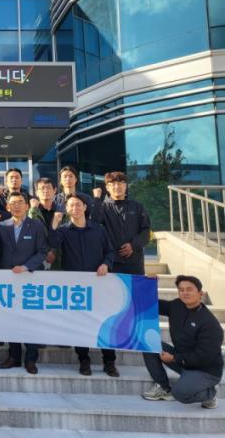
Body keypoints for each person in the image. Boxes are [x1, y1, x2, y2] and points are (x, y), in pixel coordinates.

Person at [49, 194, 117, 377]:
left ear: (85, 207)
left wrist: (106, 264)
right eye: (71, 205)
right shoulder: (63, 230)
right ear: (67, 209)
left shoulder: (99, 229)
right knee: (80, 323)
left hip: (99, 284)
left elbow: (110, 251)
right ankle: (83, 360)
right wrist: (54, 224)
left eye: (78, 205)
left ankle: (109, 361)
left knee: (104, 323)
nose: (75, 208)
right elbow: (52, 245)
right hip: (76, 287)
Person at [142, 275, 222, 409]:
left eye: (189, 289)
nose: (185, 293)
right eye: (181, 290)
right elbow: (150, 303)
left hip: (205, 370)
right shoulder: (176, 305)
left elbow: (203, 357)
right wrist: (148, 285)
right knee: (148, 344)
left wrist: (174, 358)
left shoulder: (209, 323)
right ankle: (163, 387)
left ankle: (209, 394)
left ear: (200, 293)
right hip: (183, 361)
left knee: (179, 393)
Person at [0, 192, 48, 374]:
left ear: (26, 206)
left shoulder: (36, 225)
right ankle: (13, 357)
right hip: (8, 281)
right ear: (8, 207)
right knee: (11, 319)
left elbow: (42, 251)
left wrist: (25, 267)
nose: (16, 206)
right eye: (13, 203)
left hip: (30, 279)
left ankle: (30, 359)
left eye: (20, 202)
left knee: (30, 319)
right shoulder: (2, 226)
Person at [92, 171, 151, 275]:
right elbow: (94, 223)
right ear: (107, 187)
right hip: (111, 262)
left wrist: (133, 245)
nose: (117, 186)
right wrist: (97, 199)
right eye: (113, 184)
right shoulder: (102, 207)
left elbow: (146, 231)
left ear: (126, 186)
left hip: (134, 262)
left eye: (120, 183)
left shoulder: (137, 207)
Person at [28, 177, 60, 270]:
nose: (45, 191)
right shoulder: (30, 211)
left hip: (58, 260)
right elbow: (29, 231)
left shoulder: (62, 211)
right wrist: (33, 210)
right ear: (36, 192)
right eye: (42, 188)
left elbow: (64, 234)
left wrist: (53, 252)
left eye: (48, 188)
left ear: (54, 191)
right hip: (36, 258)